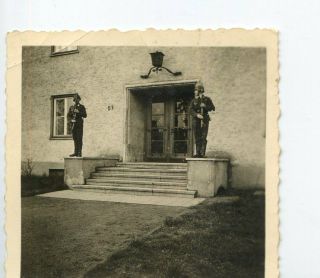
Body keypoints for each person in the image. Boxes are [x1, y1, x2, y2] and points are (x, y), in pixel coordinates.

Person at [189, 83, 215, 158]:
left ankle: (202, 153)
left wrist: (205, 106)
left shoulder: (207, 99)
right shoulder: (194, 101)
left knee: (203, 136)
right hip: (196, 121)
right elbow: (190, 110)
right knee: (197, 136)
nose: (195, 92)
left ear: (200, 90)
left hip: (204, 120)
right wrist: (197, 115)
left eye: (196, 90)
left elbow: (213, 108)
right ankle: (198, 153)